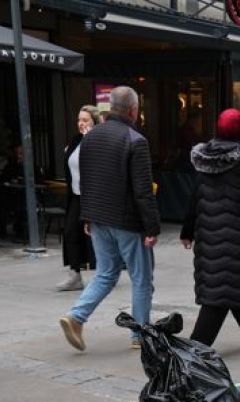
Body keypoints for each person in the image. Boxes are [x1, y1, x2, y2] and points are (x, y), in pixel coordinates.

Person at [58, 85, 160, 352]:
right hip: (126, 220)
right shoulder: (135, 140)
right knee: (141, 277)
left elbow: (86, 182)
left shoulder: (90, 138)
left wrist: (87, 216)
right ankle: (140, 334)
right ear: (133, 110)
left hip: (98, 217)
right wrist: (152, 226)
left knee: (105, 273)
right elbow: (142, 190)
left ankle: (76, 316)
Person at [179, 108, 240, 350]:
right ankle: (196, 349)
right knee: (224, 289)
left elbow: (195, 197)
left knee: (227, 284)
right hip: (238, 237)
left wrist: (187, 230)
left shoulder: (205, 160)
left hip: (209, 236)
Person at [57, 105, 101, 291]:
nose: (81, 123)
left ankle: (107, 272)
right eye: (79, 120)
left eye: (85, 120)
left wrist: (89, 138)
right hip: (76, 195)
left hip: (94, 195)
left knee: (98, 236)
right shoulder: (76, 140)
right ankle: (74, 274)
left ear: (94, 122)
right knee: (70, 232)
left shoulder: (98, 140)